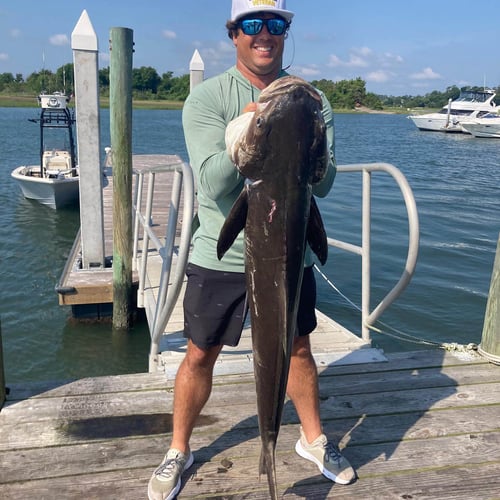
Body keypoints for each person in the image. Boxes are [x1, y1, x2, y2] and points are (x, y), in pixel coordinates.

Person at [147, 1, 356, 498]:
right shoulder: (206, 99)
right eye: (253, 25)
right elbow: (214, 183)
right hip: (222, 253)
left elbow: (322, 188)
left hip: (291, 255)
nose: (265, 34)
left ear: (286, 31)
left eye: (276, 24)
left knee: (298, 346)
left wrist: (318, 146)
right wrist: (247, 129)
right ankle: (179, 447)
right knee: (200, 352)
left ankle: (313, 439)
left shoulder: (310, 98)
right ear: (234, 34)